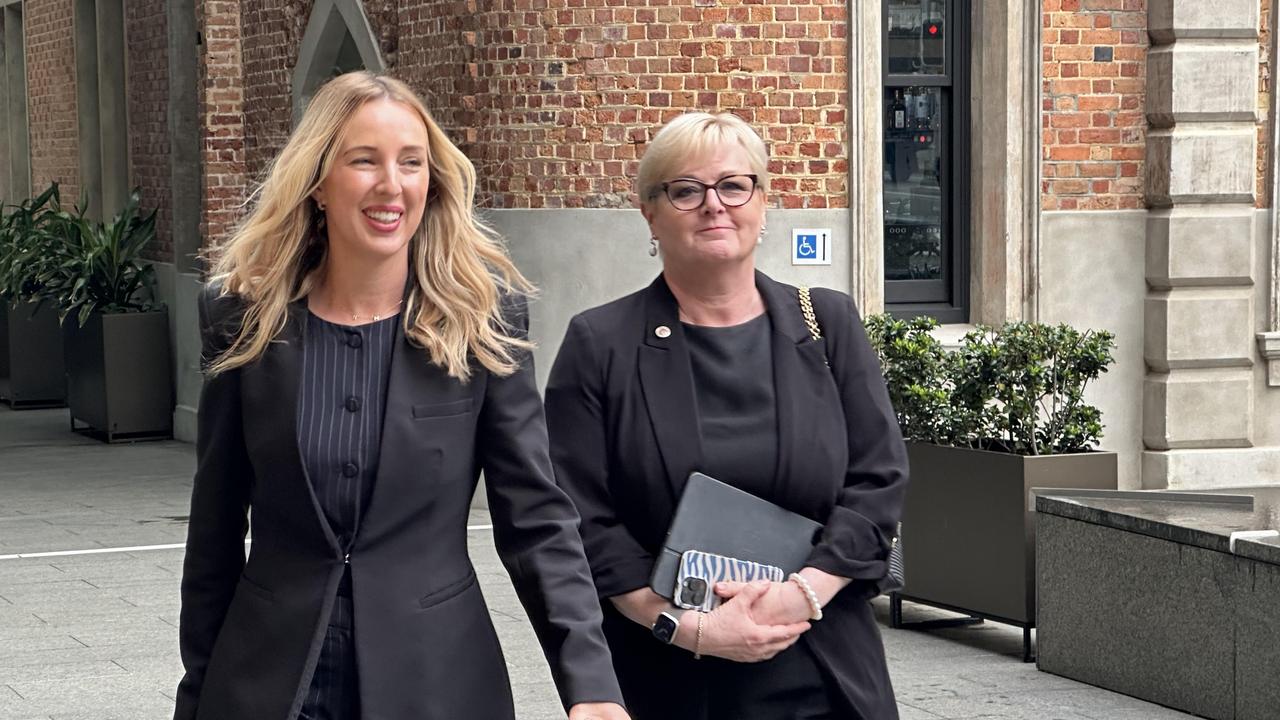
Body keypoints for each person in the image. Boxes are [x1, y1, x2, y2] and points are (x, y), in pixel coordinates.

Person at [173, 71, 629, 720]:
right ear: (320, 182)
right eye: (365, 161)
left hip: (438, 681)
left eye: (411, 163)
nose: (392, 185)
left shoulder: (483, 321)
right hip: (270, 681)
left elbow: (536, 518)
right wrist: (196, 695)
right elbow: (214, 528)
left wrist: (591, 684)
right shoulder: (241, 318)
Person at [545, 111, 909, 720]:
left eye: (734, 186)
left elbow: (878, 483)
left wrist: (801, 596)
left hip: (824, 669)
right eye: (685, 190)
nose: (714, 205)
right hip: (668, 678)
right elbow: (581, 517)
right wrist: (687, 628)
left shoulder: (828, 324)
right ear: (650, 213)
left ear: (763, 203)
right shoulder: (600, 343)